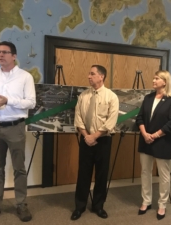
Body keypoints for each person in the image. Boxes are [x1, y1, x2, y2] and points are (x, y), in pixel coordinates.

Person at [0, 41, 36, 224]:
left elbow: (31, 102)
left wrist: (8, 100)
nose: (1, 55)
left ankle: (21, 204)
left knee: (19, 168)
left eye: (5, 52)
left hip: (15, 127)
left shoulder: (25, 77)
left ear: (14, 56)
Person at [71, 65, 119, 220]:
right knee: (83, 174)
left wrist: (95, 136)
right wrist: (87, 136)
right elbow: (78, 118)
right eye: (89, 73)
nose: (88, 76)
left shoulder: (111, 96)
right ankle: (79, 206)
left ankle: (98, 206)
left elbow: (111, 121)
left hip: (103, 141)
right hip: (86, 140)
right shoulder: (83, 96)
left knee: (101, 174)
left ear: (101, 76)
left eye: (92, 74)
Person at [136, 70, 171, 220]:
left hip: (162, 141)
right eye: (153, 78)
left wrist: (154, 135)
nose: (153, 81)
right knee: (145, 172)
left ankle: (162, 205)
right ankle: (146, 201)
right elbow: (139, 118)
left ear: (165, 82)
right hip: (145, 140)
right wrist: (145, 134)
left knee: (164, 175)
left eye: (157, 78)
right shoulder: (148, 98)